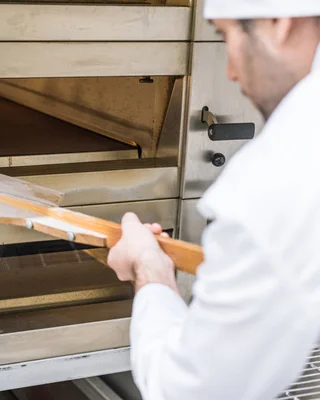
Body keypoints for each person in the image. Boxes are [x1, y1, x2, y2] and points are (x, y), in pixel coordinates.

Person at [106, 1, 320, 399]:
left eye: (227, 37)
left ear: (281, 23)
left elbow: (194, 390)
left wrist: (150, 272)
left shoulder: (284, 173)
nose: (230, 71)